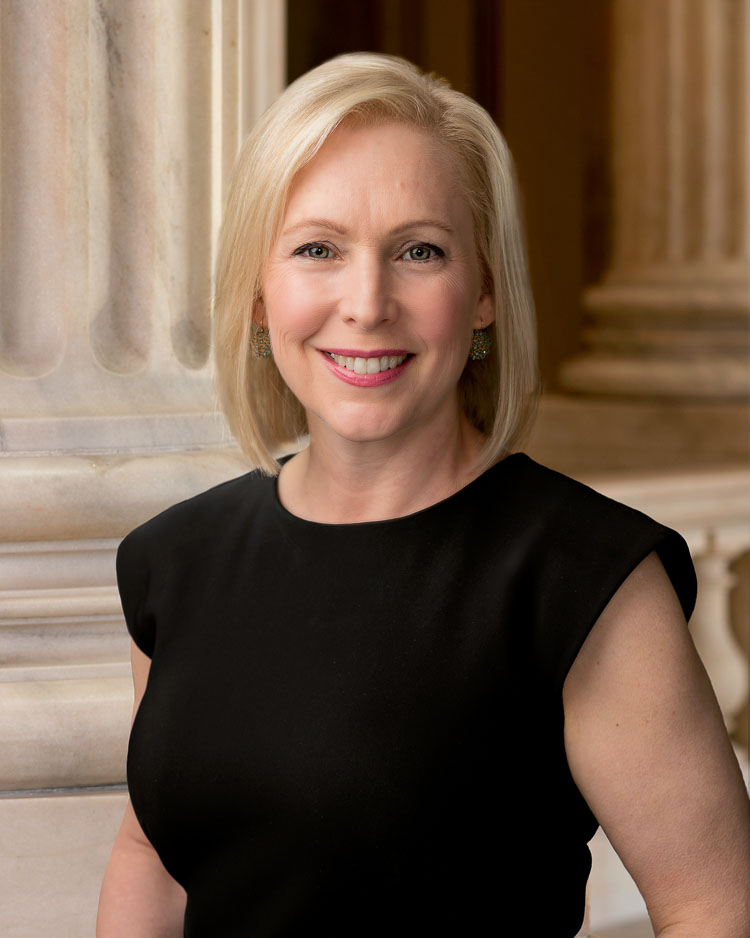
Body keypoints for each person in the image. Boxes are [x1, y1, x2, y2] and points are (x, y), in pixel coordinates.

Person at [97, 53, 750, 938]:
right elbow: (156, 858)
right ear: (259, 291)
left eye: (419, 251)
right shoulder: (173, 562)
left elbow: (716, 907)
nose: (366, 303)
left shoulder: (581, 582)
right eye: (318, 248)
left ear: (482, 292)